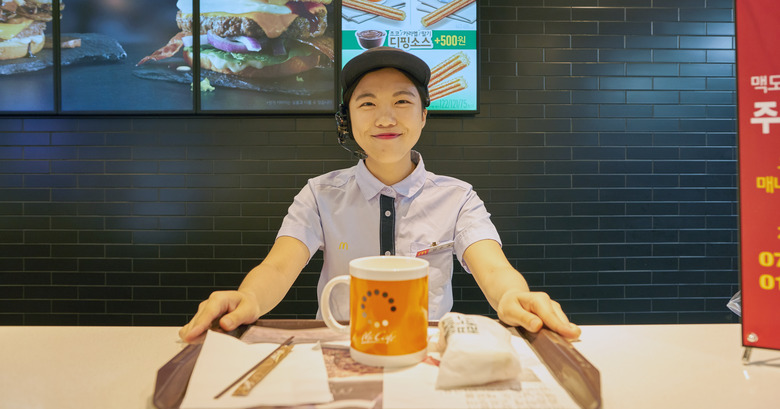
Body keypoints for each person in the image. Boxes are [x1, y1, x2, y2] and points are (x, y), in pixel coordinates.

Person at [179, 47, 581, 343]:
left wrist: (515, 296)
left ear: (424, 115)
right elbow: (279, 267)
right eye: (367, 103)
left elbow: (493, 269)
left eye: (402, 102)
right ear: (347, 119)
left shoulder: (459, 198)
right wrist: (247, 297)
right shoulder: (319, 195)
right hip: (339, 348)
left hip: (427, 352)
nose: (385, 118)